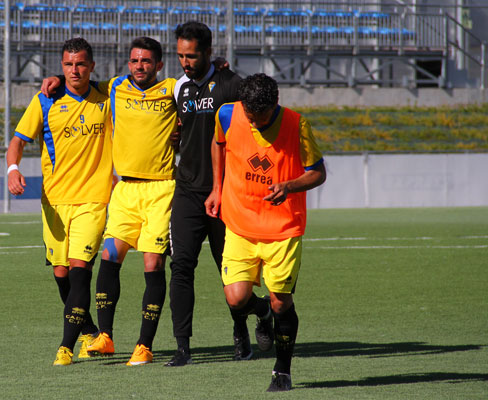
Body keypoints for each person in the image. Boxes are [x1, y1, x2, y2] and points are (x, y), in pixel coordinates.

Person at [41, 37, 176, 366]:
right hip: (126, 189)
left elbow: (205, 91)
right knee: (109, 255)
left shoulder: (173, 89)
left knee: (152, 264)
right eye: (133, 61)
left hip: (161, 188)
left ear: (159, 65)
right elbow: (80, 80)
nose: (139, 66)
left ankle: (144, 345)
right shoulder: (115, 87)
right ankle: (105, 335)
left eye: (145, 61)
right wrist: (57, 80)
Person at [205, 73, 326, 391]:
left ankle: (282, 370)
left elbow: (318, 173)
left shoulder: (296, 125)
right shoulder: (228, 114)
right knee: (236, 299)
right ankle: (261, 314)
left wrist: (289, 186)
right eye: (250, 115)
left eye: (260, 116)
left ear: (274, 104)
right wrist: (217, 188)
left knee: (280, 302)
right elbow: (218, 145)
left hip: (283, 229)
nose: (255, 123)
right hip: (240, 224)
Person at [165, 21, 274, 367]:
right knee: (181, 266)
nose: (185, 62)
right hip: (187, 191)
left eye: (192, 56)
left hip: (227, 195)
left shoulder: (233, 86)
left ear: (209, 53)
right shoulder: (179, 87)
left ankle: (247, 326)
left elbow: (253, 128)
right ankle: (183, 348)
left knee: (230, 274)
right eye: (181, 55)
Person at [6, 37, 113, 366]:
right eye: (68, 64)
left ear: (92, 66)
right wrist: (12, 169)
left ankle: (65, 347)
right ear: (61, 66)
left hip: (93, 200)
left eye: (81, 63)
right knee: (62, 275)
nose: (74, 70)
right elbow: (18, 141)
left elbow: (143, 86)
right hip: (54, 202)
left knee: (81, 271)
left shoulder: (109, 96)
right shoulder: (46, 99)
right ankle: (93, 334)